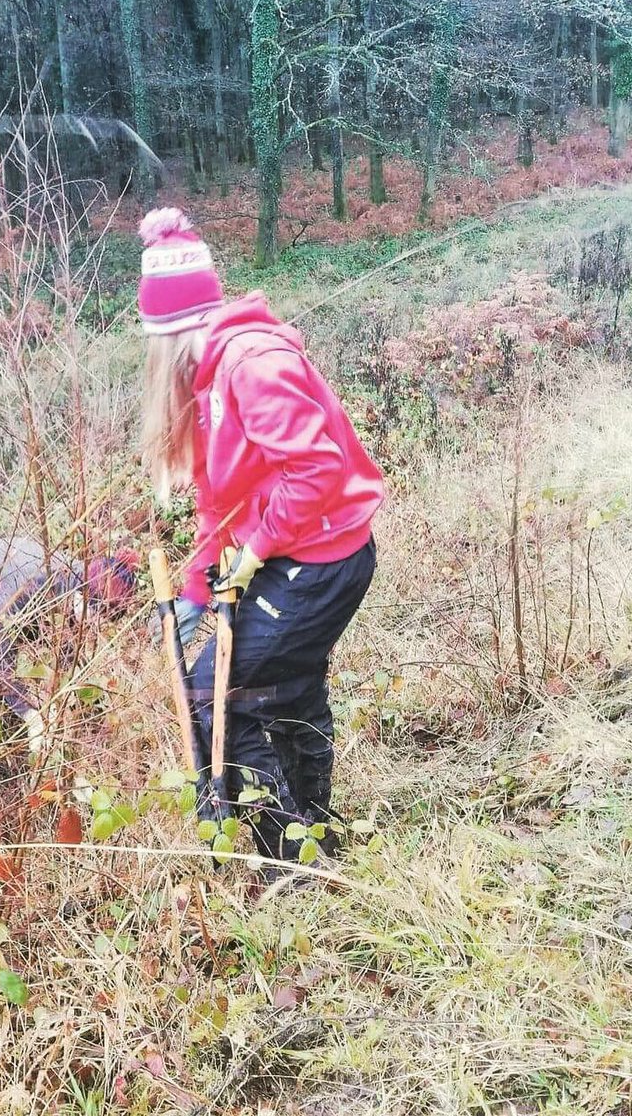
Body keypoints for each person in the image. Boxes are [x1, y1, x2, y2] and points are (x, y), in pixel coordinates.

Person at [137, 207, 385, 863]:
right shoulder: (216, 374)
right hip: (300, 555)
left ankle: (285, 863)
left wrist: (253, 553)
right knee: (292, 687)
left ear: (176, 328)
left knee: (221, 698)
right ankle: (317, 841)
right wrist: (195, 593)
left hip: (322, 559)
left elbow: (316, 471)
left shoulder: (251, 363)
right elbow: (218, 495)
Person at [0, 537, 137, 743]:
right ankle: (2, 737)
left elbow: (66, 649)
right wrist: (32, 716)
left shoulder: (76, 577)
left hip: (9, 576)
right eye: (97, 616)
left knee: (55, 645)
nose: (96, 626)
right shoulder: (25, 590)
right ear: (85, 597)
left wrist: (86, 703)